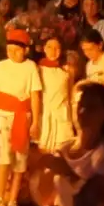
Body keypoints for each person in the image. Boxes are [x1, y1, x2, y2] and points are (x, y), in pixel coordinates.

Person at [0, 26, 42, 206]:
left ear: (25, 50)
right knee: (3, 158)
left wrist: (36, 121)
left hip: (22, 116)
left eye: (17, 50)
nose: (13, 53)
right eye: (9, 50)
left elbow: (35, 95)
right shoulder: (1, 66)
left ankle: (13, 200)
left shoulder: (30, 67)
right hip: (3, 115)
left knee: (19, 160)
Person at [35, 32, 75, 162]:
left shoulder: (68, 70)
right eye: (50, 47)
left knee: (62, 153)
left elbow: (70, 94)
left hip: (62, 113)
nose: (53, 51)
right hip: (45, 114)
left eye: (57, 48)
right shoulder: (38, 69)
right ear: (44, 49)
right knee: (43, 153)